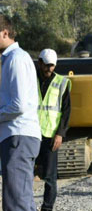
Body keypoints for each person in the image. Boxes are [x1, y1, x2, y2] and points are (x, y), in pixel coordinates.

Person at [0, 15, 42, 211]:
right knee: (19, 200)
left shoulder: (16, 59)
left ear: (5, 33)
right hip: (18, 136)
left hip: (18, 136)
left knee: (17, 203)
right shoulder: (11, 59)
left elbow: (18, 105)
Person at [36, 48, 71, 211]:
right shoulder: (31, 79)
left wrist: (60, 134)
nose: (49, 69)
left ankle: (47, 208)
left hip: (51, 136)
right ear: (40, 62)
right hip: (32, 134)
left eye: (52, 66)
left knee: (50, 177)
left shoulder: (62, 82)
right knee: (25, 174)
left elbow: (66, 111)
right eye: (47, 65)